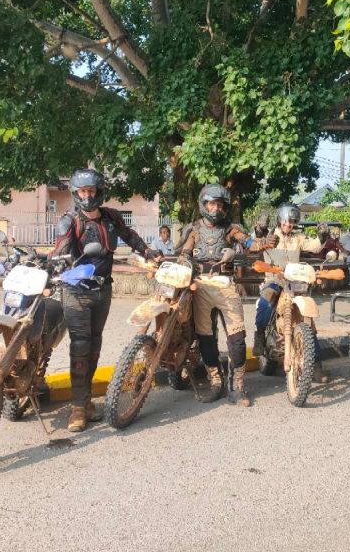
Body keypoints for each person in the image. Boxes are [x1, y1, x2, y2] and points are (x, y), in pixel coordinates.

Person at [51, 169, 158, 432]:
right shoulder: (69, 221)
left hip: (102, 291)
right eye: (82, 192)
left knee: (95, 344)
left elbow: (129, 235)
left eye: (91, 191)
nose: (87, 196)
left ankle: (87, 402)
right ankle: (78, 407)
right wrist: (50, 269)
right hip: (76, 291)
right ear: (76, 194)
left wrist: (148, 251)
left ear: (99, 192)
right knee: (80, 346)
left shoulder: (111, 216)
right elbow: (58, 252)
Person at [179, 184, 274, 406]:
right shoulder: (193, 229)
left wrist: (264, 242)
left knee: (237, 338)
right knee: (206, 339)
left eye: (220, 204)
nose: (216, 208)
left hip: (225, 285)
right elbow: (184, 253)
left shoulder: (231, 228)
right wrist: (183, 263)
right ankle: (215, 382)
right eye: (212, 203)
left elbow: (249, 243)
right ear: (204, 204)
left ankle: (238, 387)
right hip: (200, 286)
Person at [252, 204, 330, 382]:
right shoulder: (271, 235)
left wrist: (322, 235)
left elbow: (315, 247)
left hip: (295, 282)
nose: (289, 225)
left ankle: (316, 365)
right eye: (286, 221)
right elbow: (257, 239)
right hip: (275, 281)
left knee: (308, 323)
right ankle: (259, 335)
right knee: (265, 303)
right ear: (280, 220)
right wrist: (260, 229)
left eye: (292, 222)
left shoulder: (298, 238)